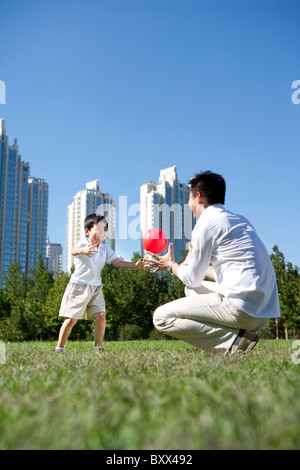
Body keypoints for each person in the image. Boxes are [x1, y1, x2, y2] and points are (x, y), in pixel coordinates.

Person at [145, 171, 280, 355]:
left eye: (190, 199)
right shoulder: (238, 220)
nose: (189, 205)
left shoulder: (206, 222)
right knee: (192, 290)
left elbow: (191, 278)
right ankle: (237, 337)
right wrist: (185, 266)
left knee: (161, 317)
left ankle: (232, 341)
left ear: (198, 197)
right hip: (263, 312)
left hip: (242, 309)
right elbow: (218, 274)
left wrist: (171, 265)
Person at [53, 213, 145, 352]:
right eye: (99, 228)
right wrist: (83, 250)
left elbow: (118, 263)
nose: (103, 232)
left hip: (95, 287)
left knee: (101, 315)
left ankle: (98, 347)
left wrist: (135, 265)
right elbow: (73, 251)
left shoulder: (105, 249)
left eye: (105, 229)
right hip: (78, 286)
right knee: (71, 319)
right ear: (87, 231)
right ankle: (59, 348)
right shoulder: (83, 243)